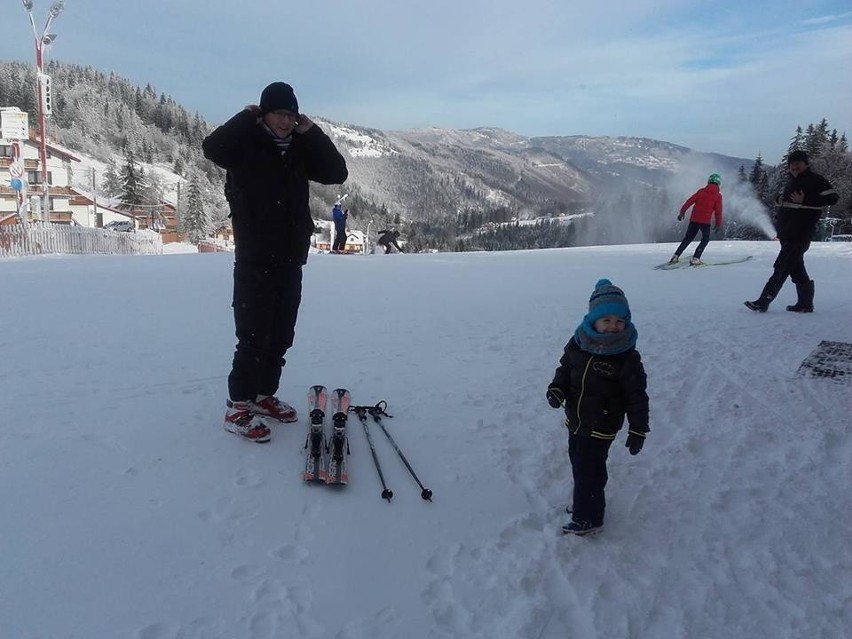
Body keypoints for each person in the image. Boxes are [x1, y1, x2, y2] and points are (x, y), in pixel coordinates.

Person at [202, 82, 348, 442]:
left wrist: (311, 132)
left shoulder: (298, 149)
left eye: (291, 115)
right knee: (252, 336)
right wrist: (245, 116)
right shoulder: (244, 146)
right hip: (254, 258)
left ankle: (264, 396)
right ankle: (238, 406)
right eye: (279, 114)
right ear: (264, 113)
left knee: (281, 334)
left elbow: (336, 171)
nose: (285, 122)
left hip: (289, 257)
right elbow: (212, 148)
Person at [546, 279, 649, 536]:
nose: (613, 327)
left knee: (590, 469)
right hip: (576, 420)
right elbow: (566, 369)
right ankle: (584, 502)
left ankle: (588, 517)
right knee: (578, 463)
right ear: (593, 320)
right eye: (606, 320)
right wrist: (557, 389)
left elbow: (637, 396)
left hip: (601, 426)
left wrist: (638, 429)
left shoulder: (626, 357)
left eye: (619, 321)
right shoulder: (579, 342)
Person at [745, 150, 839, 313]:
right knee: (796, 268)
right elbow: (786, 201)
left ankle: (763, 301)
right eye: (792, 163)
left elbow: (833, 198)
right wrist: (778, 199)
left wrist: (806, 200)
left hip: (800, 233)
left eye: (798, 163)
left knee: (781, 267)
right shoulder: (792, 182)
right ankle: (805, 304)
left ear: (806, 164)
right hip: (787, 232)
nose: (794, 166)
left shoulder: (815, 180)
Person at [669, 173, 723, 266]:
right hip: (705, 223)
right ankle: (696, 258)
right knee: (705, 240)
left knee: (688, 238)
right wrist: (718, 224)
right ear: (718, 183)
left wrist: (682, 212)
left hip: (694, 220)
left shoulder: (701, 191)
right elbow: (718, 212)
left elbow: (689, 201)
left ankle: (676, 256)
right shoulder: (718, 196)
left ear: (709, 181)